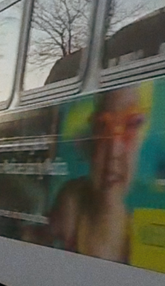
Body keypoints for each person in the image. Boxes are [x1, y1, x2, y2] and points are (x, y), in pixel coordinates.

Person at [32, 83, 152, 263]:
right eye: (103, 126)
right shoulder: (72, 201)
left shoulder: (147, 229)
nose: (114, 151)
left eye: (132, 125)